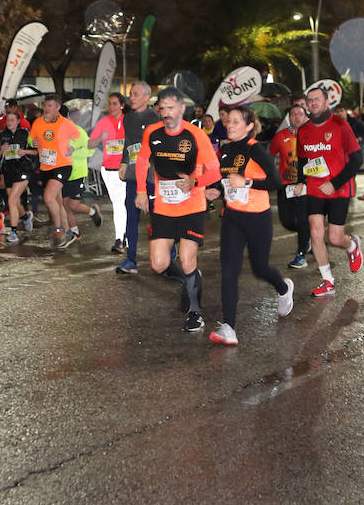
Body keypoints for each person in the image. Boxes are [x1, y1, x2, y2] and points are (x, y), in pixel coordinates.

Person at [204, 105, 294, 345]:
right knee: (229, 271)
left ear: (249, 126)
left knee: (260, 268)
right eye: (228, 121)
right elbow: (227, 182)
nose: (230, 125)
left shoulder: (256, 150)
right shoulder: (224, 151)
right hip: (233, 217)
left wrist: (247, 182)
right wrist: (217, 191)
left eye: (235, 121)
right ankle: (229, 328)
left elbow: (276, 181)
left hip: (257, 217)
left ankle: (284, 288)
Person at [134, 87, 220, 331]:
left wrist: (195, 181)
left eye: (171, 108)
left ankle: (195, 313)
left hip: (192, 204)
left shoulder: (196, 135)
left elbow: (214, 169)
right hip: (164, 206)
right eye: (163, 108)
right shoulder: (152, 132)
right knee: (158, 264)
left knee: (186, 258)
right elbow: (142, 160)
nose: (166, 113)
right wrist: (141, 190)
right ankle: (189, 279)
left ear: (182, 108)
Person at [297, 85, 364, 298]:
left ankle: (352, 245)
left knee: (335, 239)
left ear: (327, 102)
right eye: (310, 100)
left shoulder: (341, 125)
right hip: (314, 190)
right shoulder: (304, 130)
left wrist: (335, 183)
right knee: (316, 233)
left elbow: (357, 160)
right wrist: (300, 182)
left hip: (339, 190)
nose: (313, 103)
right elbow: (302, 161)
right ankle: (327, 281)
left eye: (317, 99)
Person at [115, 81, 159, 275]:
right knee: (131, 217)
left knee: (158, 217)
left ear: (146, 97)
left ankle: (170, 255)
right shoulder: (128, 119)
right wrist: (124, 163)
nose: (131, 97)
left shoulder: (156, 118)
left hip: (153, 177)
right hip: (134, 175)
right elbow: (128, 143)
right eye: (130, 94)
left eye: (135, 94)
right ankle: (131, 259)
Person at [28, 95, 80, 249]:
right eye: (46, 105)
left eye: (50, 105)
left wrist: (73, 147)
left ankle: (59, 230)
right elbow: (31, 140)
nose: (47, 108)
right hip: (46, 167)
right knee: (57, 202)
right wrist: (34, 142)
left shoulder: (65, 123)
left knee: (48, 197)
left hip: (62, 166)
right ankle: (69, 233)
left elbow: (80, 139)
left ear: (57, 108)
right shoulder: (38, 122)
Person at [269, 101, 312, 269]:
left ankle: (301, 254)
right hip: (285, 185)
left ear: (305, 116)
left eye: (300, 114)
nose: (297, 117)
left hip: (305, 184)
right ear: (289, 118)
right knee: (286, 221)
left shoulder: (312, 135)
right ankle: (307, 234)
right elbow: (269, 155)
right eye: (293, 114)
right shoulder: (281, 136)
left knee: (302, 219)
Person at [88, 92, 128, 252]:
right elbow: (90, 144)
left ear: (122, 105)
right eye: (109, 103)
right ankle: (121, 239)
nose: (111, 107)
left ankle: (122, 239)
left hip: (125, 170)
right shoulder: (104, 122)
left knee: (123, 204)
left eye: (114, 103)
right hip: (109, 170)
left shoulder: (128, 121)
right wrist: (100, 138)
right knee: (118, 204)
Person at [0, 108, 35, 244]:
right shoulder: (1, 136)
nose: (9, 123)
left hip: (23, 169)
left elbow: (37, 151)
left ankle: (13, 232)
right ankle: (26, 216)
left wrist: (24, 151)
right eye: (7, 120)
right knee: (14, 201)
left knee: (11, 201)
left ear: (18, 121)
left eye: (12, 120)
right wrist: (1, 151)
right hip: (8, 171)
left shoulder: (26, 133)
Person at [60, 117, 102, 244]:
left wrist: (73, 153)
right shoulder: (58, 133)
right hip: (63, 174)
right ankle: (75, 232)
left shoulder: (79, 132)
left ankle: (92, 211)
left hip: (78, 173)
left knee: (73, 205)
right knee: (64, 204)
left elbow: (90, 150)